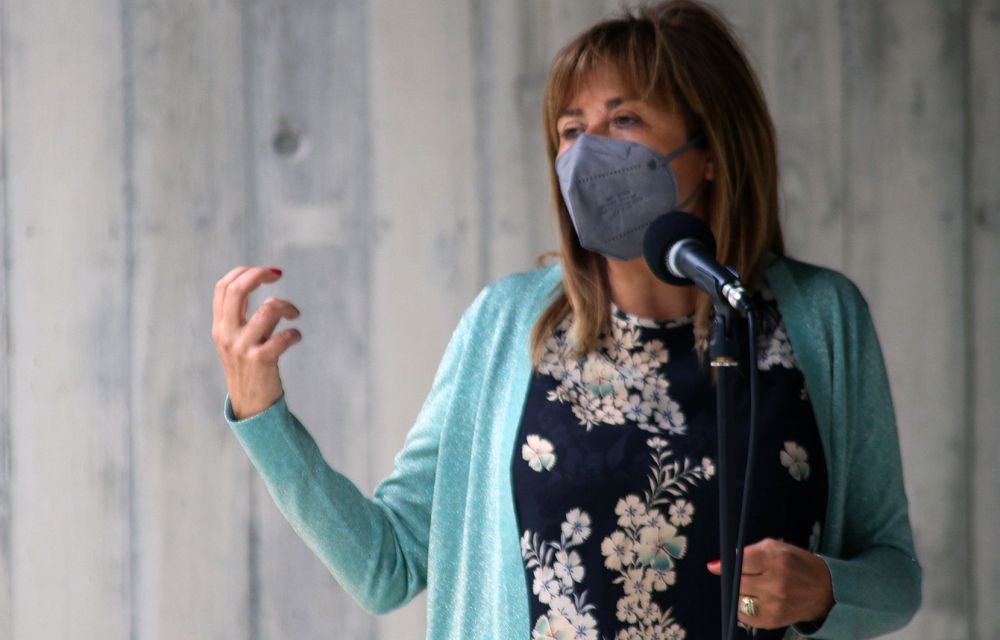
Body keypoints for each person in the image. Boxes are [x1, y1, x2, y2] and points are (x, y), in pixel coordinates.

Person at [211, 1, 921, 638]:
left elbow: (894, 573)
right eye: (571, 129)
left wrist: (827, 590)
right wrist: (262, 415)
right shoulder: (503, 328)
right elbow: (386, 565)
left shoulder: (821, 320)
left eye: (624, 120)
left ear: (708, 150)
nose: (589, 152)